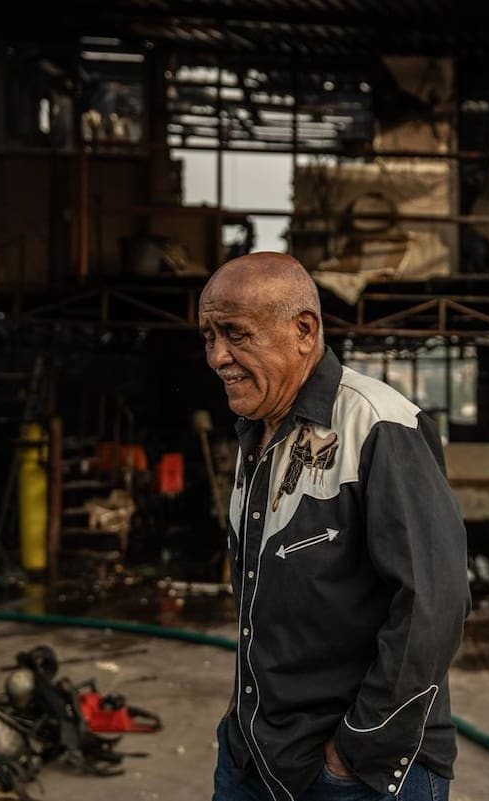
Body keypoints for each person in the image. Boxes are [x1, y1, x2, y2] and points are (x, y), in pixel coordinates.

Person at [199, 252, 470, 801]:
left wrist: (351, 753)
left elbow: (432, 607)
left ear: (304, 330)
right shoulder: (256, 434)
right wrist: (239, 719)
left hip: (355, 773)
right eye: (208, 336)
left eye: (235, 334)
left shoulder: (379, 425)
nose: (217, 357)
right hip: (255, 753)